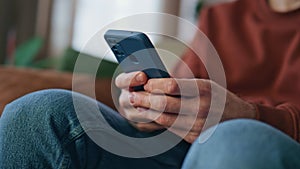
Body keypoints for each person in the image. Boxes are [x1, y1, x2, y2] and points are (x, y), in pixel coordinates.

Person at [0, 0, 300, 168]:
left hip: (252, 151)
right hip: (177, 152)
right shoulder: (220, 17)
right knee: (35, 114)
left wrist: (255, 117)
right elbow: (177, 87)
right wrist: (144, 107)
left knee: (235, 140)